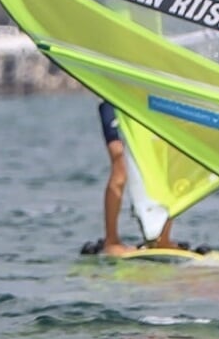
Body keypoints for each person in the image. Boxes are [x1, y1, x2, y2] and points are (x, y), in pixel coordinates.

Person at [80, 98, 197, 256]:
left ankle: (162, 239)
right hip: (115, 100)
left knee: (165, 160)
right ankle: (111, 240)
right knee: (119, 158)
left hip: (148, 101)